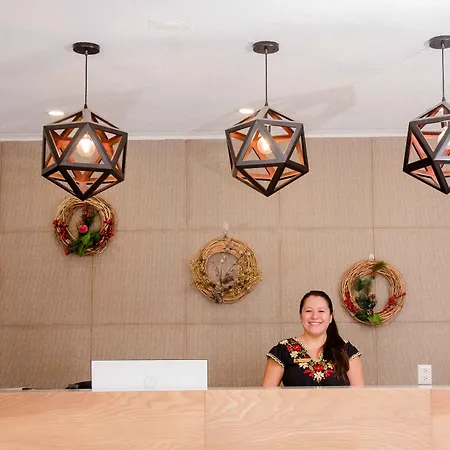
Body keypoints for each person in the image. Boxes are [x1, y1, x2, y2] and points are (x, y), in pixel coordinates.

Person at [262, 290, 364, 387]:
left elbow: (358, 394)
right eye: (308, 311)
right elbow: (267, 393)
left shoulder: (346, 349)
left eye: (321, 311)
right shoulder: (283, 349)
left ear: (331, 317)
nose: (315, 316)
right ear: (300, 315)